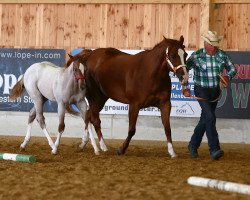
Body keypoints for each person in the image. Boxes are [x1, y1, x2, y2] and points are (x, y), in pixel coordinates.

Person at [182, 30, 237, 160]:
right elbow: (184, 71)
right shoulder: (197, 56)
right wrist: (185, 87)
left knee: (205, 119)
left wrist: (227, 76)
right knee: (210, 117)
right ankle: (214, 149)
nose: (214, 47)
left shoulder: (222, 55)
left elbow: (233, 69)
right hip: (201, 89)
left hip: (215, 91)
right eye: (212, 44)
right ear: (206, 43)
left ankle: (193, 145)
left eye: (216, 44)